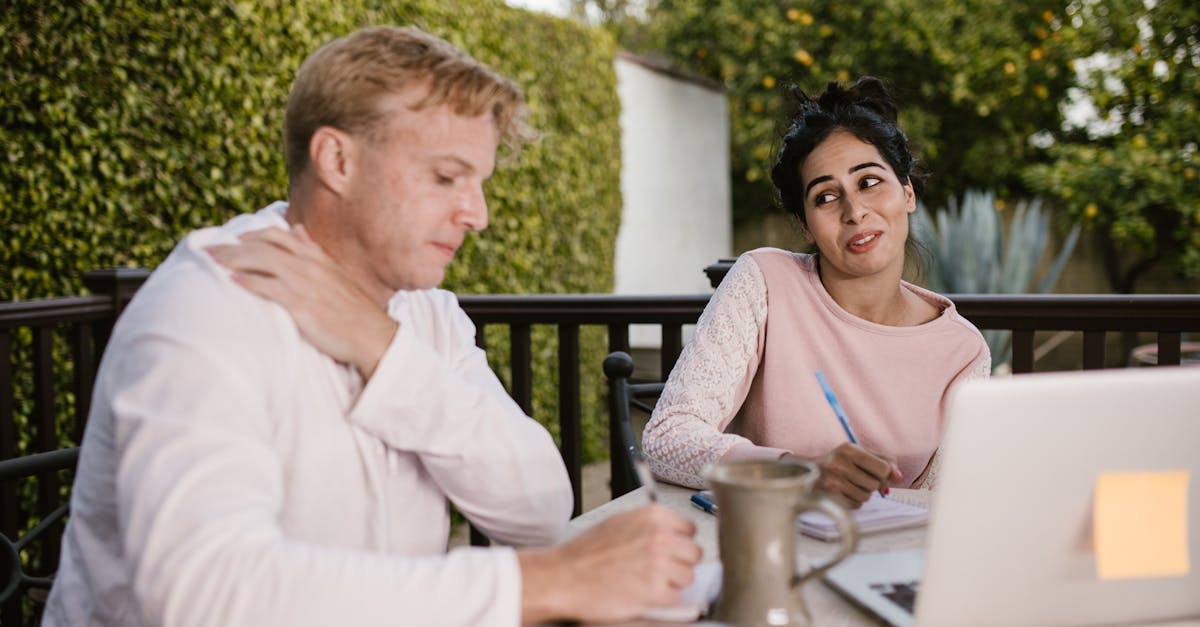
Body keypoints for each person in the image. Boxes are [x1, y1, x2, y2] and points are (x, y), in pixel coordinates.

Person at [43, 25, 701, 626]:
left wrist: (384, 351)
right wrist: (535, 585)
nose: (478, 215)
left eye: (481, 183)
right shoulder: (207, 305)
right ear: (337, 160)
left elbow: (539, 503)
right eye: (448, 177)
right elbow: (202, 592)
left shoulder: (422, 310)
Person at [642, 77, 990, 508]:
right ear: (806, 224)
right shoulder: (764, 282)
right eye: (826, 197)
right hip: (762, 548)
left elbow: (947, 504)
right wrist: (800, 471)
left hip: (890, 562)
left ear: (907, 192)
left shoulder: (963, 351)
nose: (855, 212)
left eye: (869, 182)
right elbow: (667, 438)